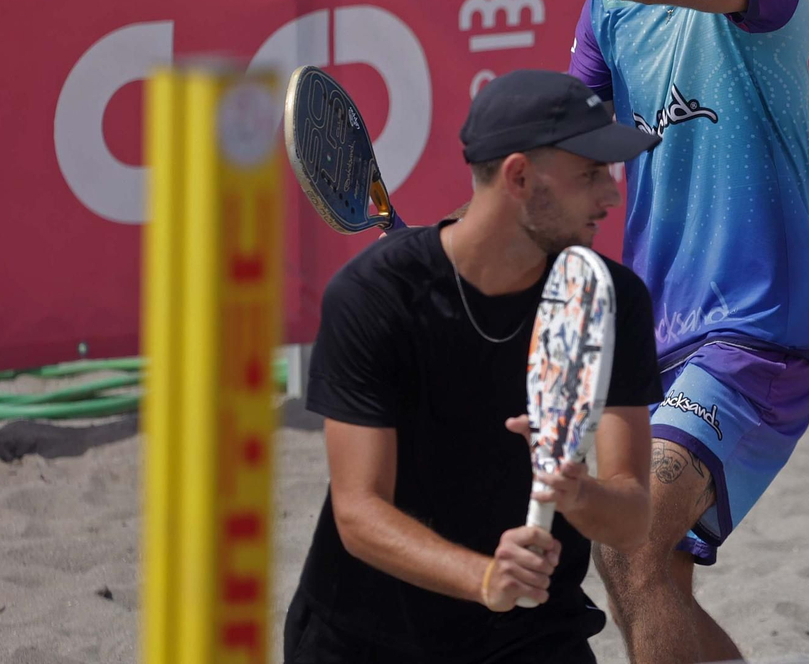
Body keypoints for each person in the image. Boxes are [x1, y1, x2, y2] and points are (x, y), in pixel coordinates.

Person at [481, 0, 809, 664]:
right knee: (650, 569)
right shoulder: (611, 5)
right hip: (655, 335)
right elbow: (571, 148)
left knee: (630, 539)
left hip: (752, 334)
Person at [283, 69, 664, 664]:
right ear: (518, 176)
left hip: (531, 636)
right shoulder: (374, 296)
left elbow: (632, 519)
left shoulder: (609, 299)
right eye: (590, 174)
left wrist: (577, 490)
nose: (611, 197)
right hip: (367, 638)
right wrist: (486, 578)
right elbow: (358, 514)